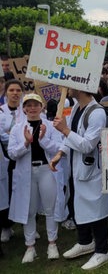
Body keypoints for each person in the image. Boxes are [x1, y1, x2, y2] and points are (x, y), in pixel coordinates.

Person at [50, 88, 108, 270]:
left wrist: (64, 130)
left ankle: (103, 251)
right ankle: (85, 241)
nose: (65, 89)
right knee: (78, 204)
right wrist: (60, 152)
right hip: (75, 166)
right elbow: (70, 137)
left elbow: (87, 145)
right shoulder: (78, 107)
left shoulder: (97, 113)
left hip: (91, 168)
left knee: (96, 210)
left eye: (69, 85)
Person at [8, 93, 66, 263]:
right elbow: (12, 153)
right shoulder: (17, 128)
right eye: (29, 105)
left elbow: (59, 149)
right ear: (24, 109)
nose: (32, 108)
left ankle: (52, 243)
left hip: (46, 170)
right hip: (26, 173)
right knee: (29, 210)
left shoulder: (50, 126)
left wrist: (42, 140)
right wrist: (26, 143)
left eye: (36, 105)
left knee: (50, 208)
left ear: (42, 107)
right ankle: (30, 246)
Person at [0, 79, 25, 242]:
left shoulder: (28, 108)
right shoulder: (1, 112)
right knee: (6, 192)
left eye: (18, 90)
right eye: (11, 90)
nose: (15, 93)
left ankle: (28, 225)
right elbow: (2, 134)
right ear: (6, 92)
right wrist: (17, 136)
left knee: (25, 190)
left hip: (25, 155)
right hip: (6, 157)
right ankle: (6, 226)